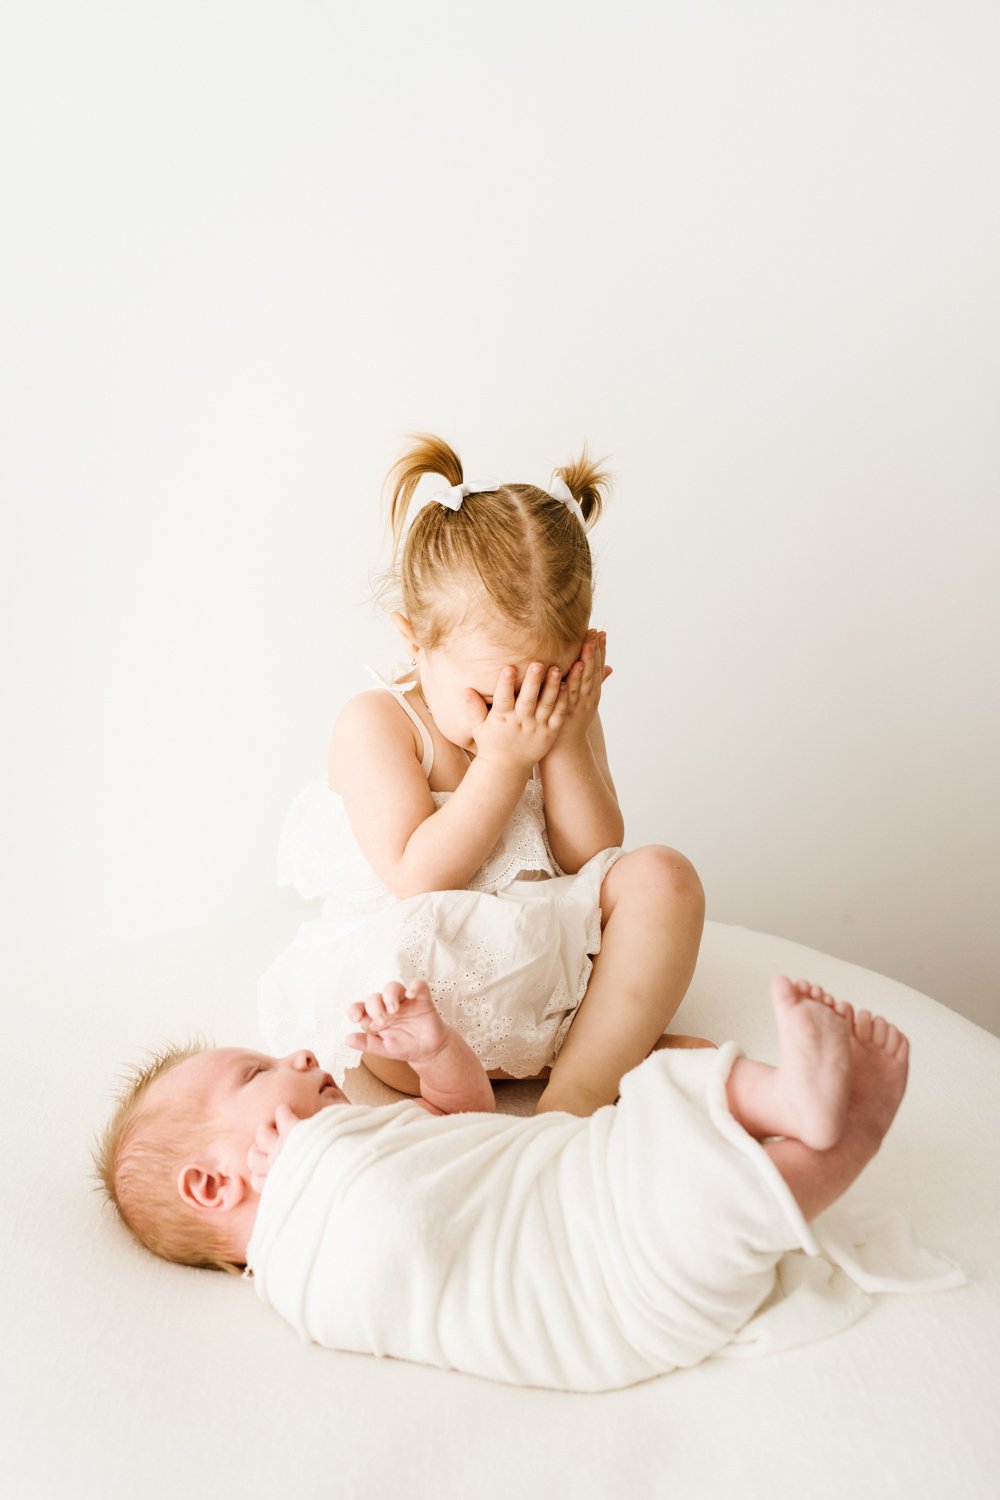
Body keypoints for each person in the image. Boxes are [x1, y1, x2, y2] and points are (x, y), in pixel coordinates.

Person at [94, 976, 925, 1393]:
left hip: (580, 1178)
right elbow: (401, 1237)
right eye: (257, 1072)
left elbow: (469, 1136)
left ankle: (793, 1100)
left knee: (666, 1085)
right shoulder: (303, 1271)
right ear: (213, 1187)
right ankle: (850, 1136)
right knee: (701, 1206)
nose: (300, 1057)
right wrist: (319, 1169)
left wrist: (434, 1053)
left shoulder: (352, 1144)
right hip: (604, 1287)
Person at [259, 434, 706, 1116]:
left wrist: (565, 741)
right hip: (422, 1022)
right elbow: (417, 876)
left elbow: (591, 856)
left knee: (663, 877)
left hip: (549, 988)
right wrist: (503, 763)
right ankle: (594, 1059)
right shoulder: (379, 724)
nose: (520, 714)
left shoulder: (550, 718)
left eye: (548, 686)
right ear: (414, 642)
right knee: (390, 999)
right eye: (494, 699)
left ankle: (578, 1084)